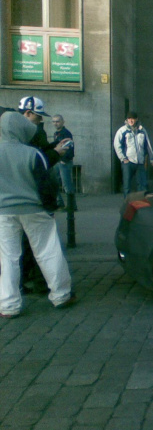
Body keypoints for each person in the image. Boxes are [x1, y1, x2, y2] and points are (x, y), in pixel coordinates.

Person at [0, 111, 76, 318]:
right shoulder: (33, 154)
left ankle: (8, 304)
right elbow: (46, 185)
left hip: (3, 213)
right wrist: (51, 208)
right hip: (35, 210)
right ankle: (61, 294)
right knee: (47, 252)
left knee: (8, 258)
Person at [113, 111, 153, 197]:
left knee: (142, 185)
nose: (130, 120)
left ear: (136, 119)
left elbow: (148, 145)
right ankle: (127, 204)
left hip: (140, 162)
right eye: (129, 118)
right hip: (128, 162)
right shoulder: (122, 130)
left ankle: (141, 203)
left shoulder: (142, 130)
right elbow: (116, 144)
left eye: (132, 118)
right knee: (127, 186)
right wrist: (123, 158)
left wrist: (152, 159)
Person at [51, 115, 76, 210]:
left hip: (64, 161)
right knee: (53, 181)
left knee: (67, 184)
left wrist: (64, 160)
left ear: (62, 122)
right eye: (54, 121)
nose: (55, 123)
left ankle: (72, 205)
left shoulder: (66, 133)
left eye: (57, 121)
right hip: (58, 161)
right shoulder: (56, 133)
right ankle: (59, 202)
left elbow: (70, 148)